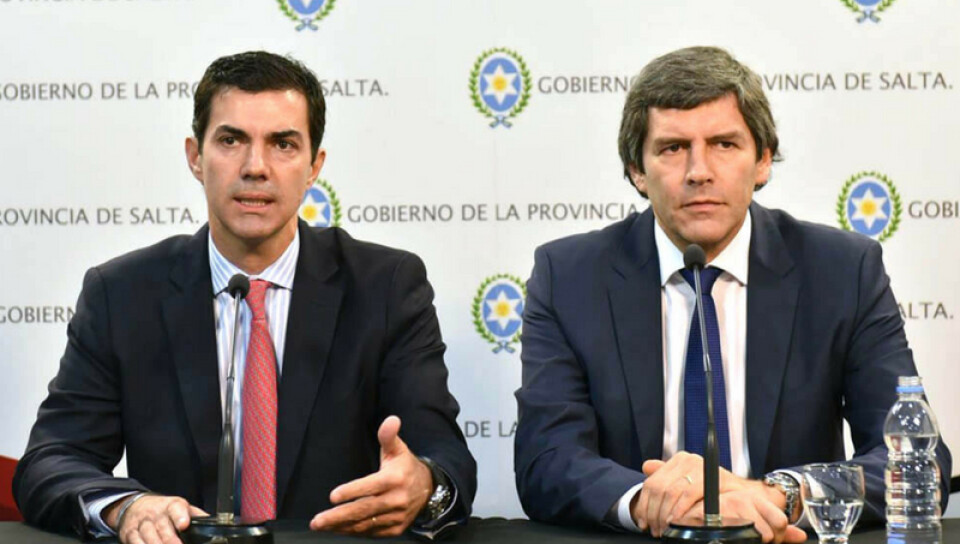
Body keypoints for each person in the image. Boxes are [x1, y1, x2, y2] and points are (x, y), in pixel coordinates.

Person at [14, 51, 476, 543]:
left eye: (283, 144)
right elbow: (52, 460)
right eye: (231, 140)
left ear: (314, 166)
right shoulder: (123, 295)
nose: (256, 167)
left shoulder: (385, 287)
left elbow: (445, 459)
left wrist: (424, 485)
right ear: (195, 157)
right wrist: (127, 507)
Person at [513, 46, 951, 544]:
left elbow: (918, 463)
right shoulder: (570, 277)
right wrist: (650, 500)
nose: (699, 171)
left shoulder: (842, 270)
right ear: (637, 170)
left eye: (724, 144)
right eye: (672, 148)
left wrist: (776, 495)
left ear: (762, 161)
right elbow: (546, 460)